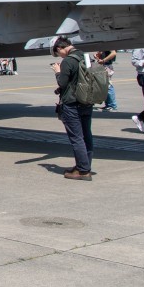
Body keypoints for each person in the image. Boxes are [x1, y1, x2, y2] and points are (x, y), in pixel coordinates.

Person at [52, 37, 94, 180]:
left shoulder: (68, 61)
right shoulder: (85, 56)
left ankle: (83, 171)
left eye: (58, 53)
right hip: (87, 101)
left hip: (72, 103)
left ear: (60, 48)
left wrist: (58, 71)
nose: (59, 56)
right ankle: (85, 165)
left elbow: (62, 82)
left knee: (76, 138)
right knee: (86, 136)